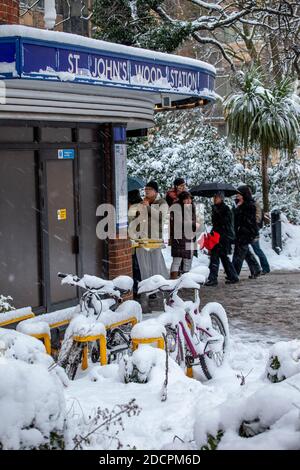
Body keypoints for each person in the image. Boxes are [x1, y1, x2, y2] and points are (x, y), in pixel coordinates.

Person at [129, 180, 169, 280]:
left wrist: (147, 208)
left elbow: (160, 217)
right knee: (144, 266)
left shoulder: (162, 202)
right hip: (142, 238)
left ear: (156, 192)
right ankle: (147, 287)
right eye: (146, 189)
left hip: (154, 238)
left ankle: (155, 287)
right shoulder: (143, 202)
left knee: (155, 265)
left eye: (150, 189)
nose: (146, 191)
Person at [205, 191, 239, 287]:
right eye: (214, 197)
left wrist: (217, 214)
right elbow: (216, 224)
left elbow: (225, 224)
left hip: (223, 237)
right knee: (223, 258)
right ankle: (233, 276)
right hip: (217, 236)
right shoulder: (216, 208)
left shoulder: (225, 209)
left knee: (215, 258)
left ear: (221, 198)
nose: (214, 199)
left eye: (216, 197)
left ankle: (213, 279)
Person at [232, 186, 261, 278]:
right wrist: (238, 208)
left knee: (239, 253)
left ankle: (234, 274)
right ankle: (256, 269)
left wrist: (239, 208)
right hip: (240, 232)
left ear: (244, 195)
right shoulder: (239, 204)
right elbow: (235, 218)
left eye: (239, 194)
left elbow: (247, 220)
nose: (237, 196)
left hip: (246, 232)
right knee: (245, 253)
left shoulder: (249, 205)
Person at [169, 191, 197, 279]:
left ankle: (185, 281)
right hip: (179, 237)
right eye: (186, 199)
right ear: (182, 200)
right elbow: (178, 223)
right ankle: (173, 281)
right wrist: (192, 223)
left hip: (189, 237)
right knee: (177, 260)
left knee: (187, 261)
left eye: (190, 199)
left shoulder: (191, 208)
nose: (188, 201)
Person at [245, 185, 270, 275]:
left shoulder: (254, 204)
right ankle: (256, 269)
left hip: (253, 231)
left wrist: (252, 225)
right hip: (247, 231)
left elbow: (258, 218)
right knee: (245, 250)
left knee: (256, 250)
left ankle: (265, 268)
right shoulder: (246, 203)